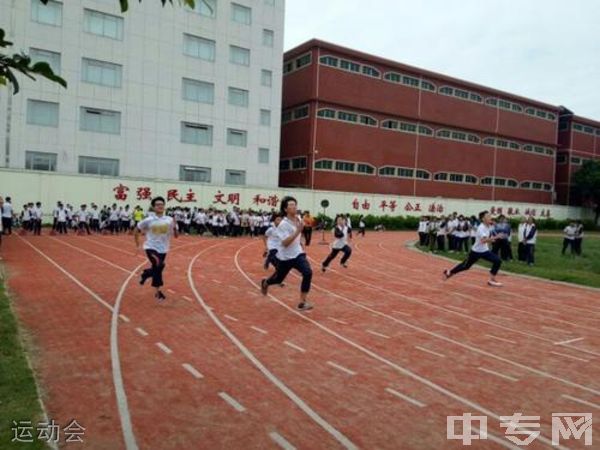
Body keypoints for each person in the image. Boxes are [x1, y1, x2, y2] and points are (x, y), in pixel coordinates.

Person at [261, 196, 314, 311]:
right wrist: (298, 231)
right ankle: (266, 282)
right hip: (285, 257)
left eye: (295, 204)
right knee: (278, 280)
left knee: (308, 272)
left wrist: (300, 241)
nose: (294, 206)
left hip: (298, 254)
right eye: (291, 205)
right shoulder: (283, 225)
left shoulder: (299, 218)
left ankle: (302, 302)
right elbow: (285, 243)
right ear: (285, 209)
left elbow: (298, 234)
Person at [443, 210, 503, 287]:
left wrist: (493, 237)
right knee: (466, 266)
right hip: (476, 252)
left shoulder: (489, 226)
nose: (490, 217)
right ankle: (450, 272)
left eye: (490, 216)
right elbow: (483, 240)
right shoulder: (481, 228)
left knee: (497, 261)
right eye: (487, 216)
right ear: (483, 219)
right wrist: (495, 237)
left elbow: (488, 237)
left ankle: (492, 280)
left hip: (485, 251)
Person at [135, 197, 178, 302]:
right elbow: (137, 229)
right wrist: (137, 243)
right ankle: (157, 291)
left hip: (163, 249)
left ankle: (147, 275)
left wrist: (175, 227)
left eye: (162, 204)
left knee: (158, 268)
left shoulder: (169, 220)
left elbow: (176, 235)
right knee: (160, 264)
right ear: (154, 207)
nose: (160, 206)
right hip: (150, 247)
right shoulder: (148, 219)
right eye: (157, 204)